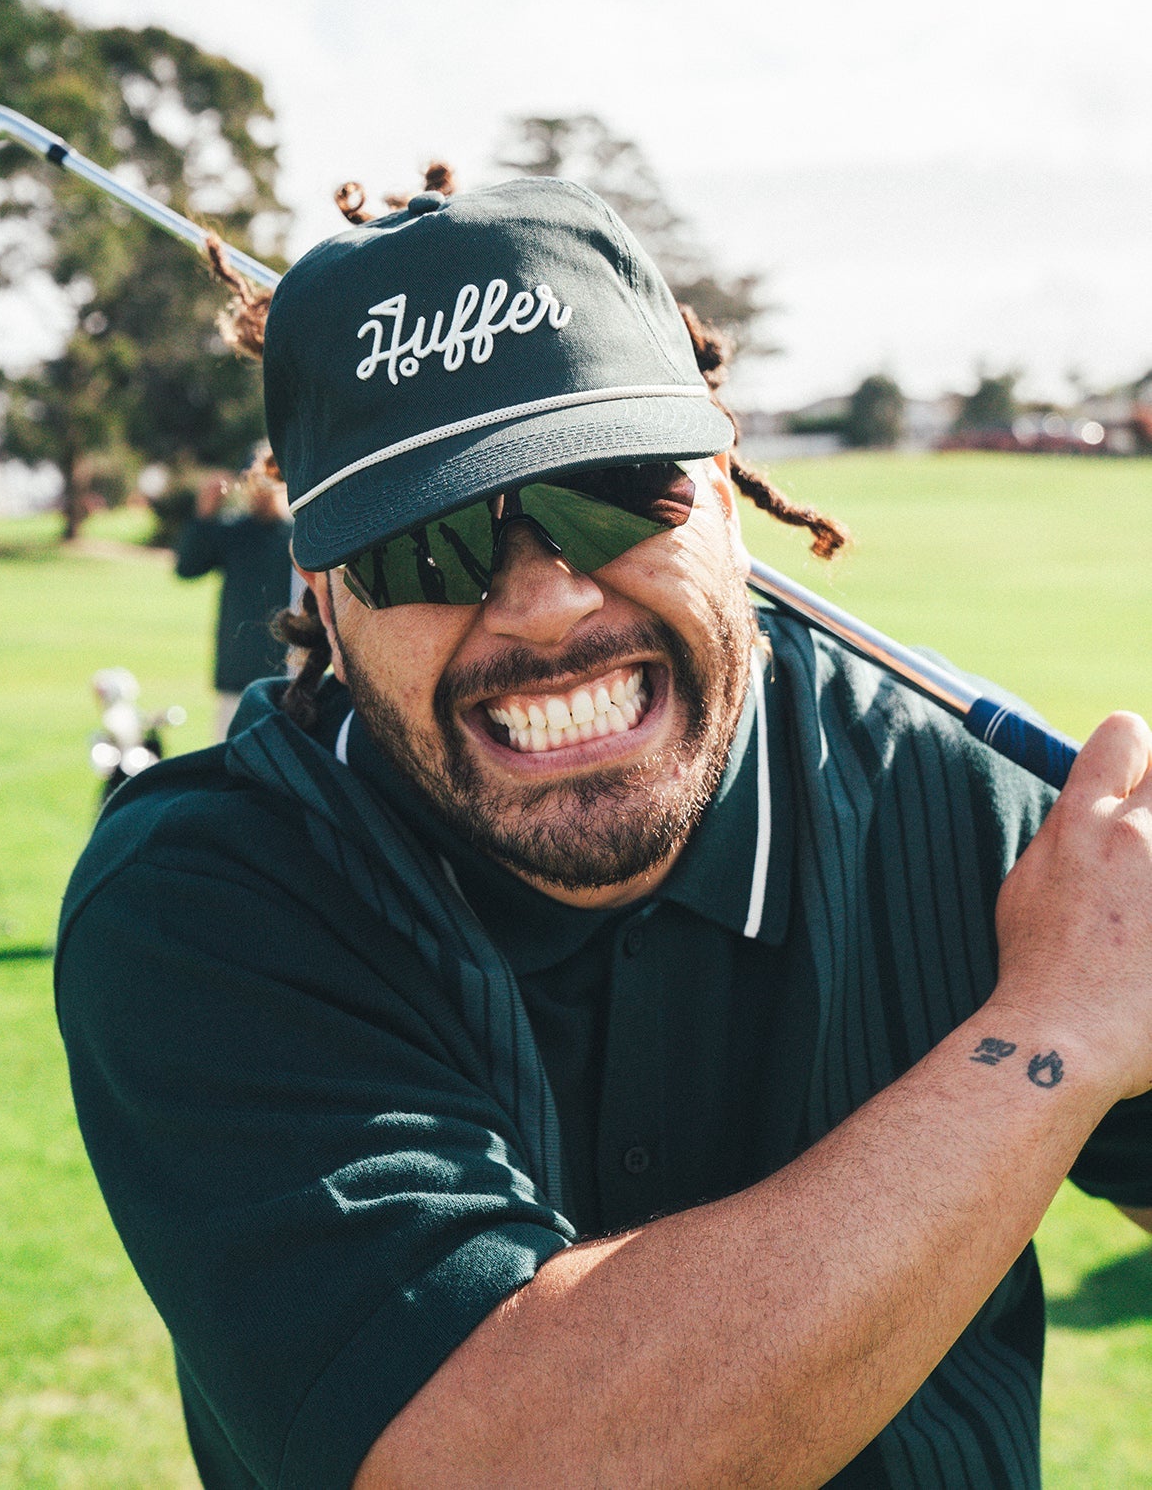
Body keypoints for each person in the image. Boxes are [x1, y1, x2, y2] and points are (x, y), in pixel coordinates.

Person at [55, 176, 1152, 1490]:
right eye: (421, 541)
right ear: (325, 602)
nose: (542, 601)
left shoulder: (965, 799)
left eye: (613, 489)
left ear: (726, 497)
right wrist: (1048, 1036)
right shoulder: (210, 898)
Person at [174, 447, 295, 741]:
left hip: (290, 679)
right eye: (253, 483)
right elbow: (187, 568)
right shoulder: (233, 533)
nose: (260, 492)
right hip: (236, 676)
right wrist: (206, 512)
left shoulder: (297, 536)